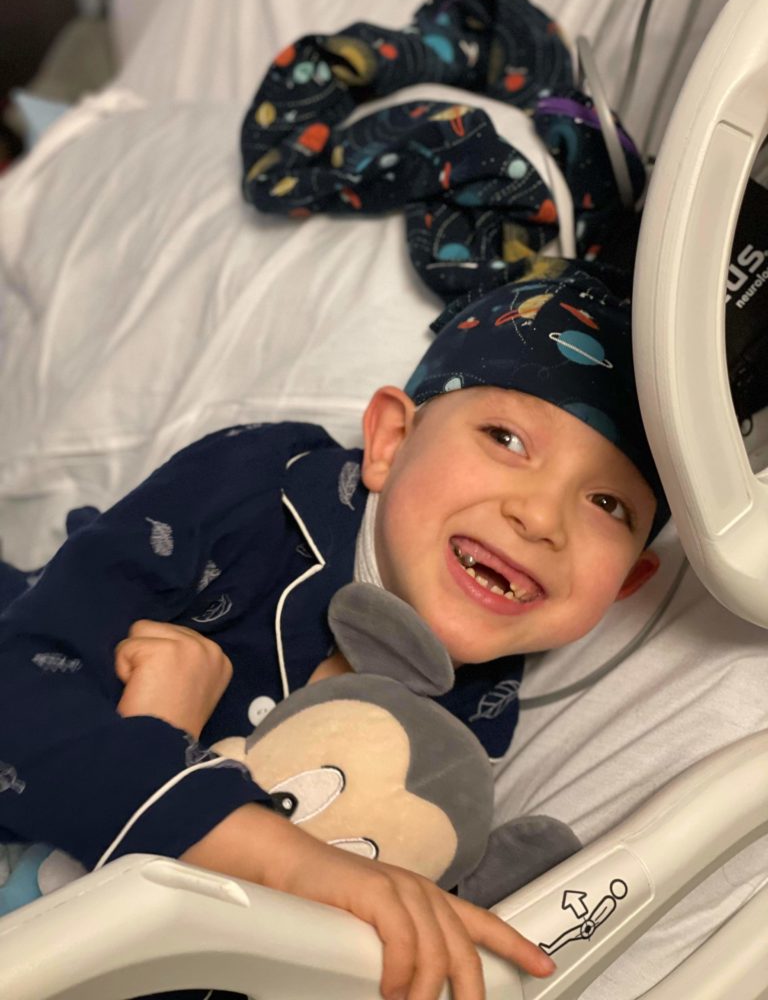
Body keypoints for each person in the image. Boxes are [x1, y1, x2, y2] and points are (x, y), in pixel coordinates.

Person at [0, 267, 668, 1000]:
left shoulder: (477, 715)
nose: (541, 518)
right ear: (387, 439)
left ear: (627, 584)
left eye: (607, 503)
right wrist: (282, 858)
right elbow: (21, 694)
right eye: (505, 438)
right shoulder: (258, 489)